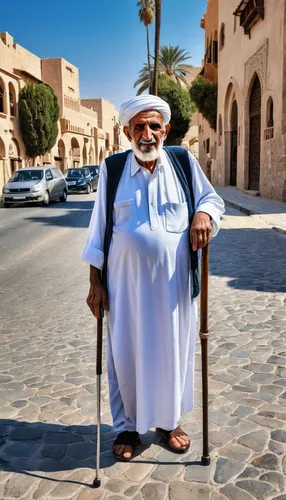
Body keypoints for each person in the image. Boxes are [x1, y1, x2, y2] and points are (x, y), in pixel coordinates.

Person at [82, 95, 225, 461]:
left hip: (173, 291)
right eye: (139, 127)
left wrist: (203, 216)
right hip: (125, 291)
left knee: (172, 355)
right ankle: (128, 427)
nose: (147, 134)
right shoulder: (113, 170)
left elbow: (212, 200)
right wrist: (95, 282)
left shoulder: (181, 161)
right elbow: (98, 230)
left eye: (154, 126)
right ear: (128, 131)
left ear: (166, 130)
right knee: (125, 357)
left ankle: (168, 422)